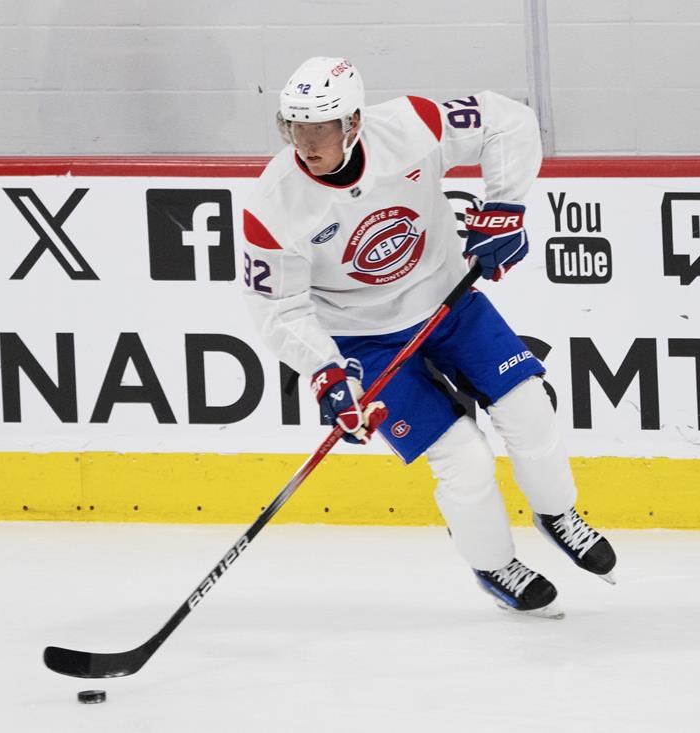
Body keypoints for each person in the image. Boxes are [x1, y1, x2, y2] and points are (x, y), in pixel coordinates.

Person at [241, 56, 616, 618]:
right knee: (463, 458)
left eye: (321, 128)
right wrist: (326, 371)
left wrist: (505, 206)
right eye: (295, 128)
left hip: (447, 300)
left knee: (529, 407)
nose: (307, 143)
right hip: (361, 340)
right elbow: (278, 306)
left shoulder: (409, 125)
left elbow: (506, 120)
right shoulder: (273, 206)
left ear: (353, 123)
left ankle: (556, 512)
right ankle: (494, 565)